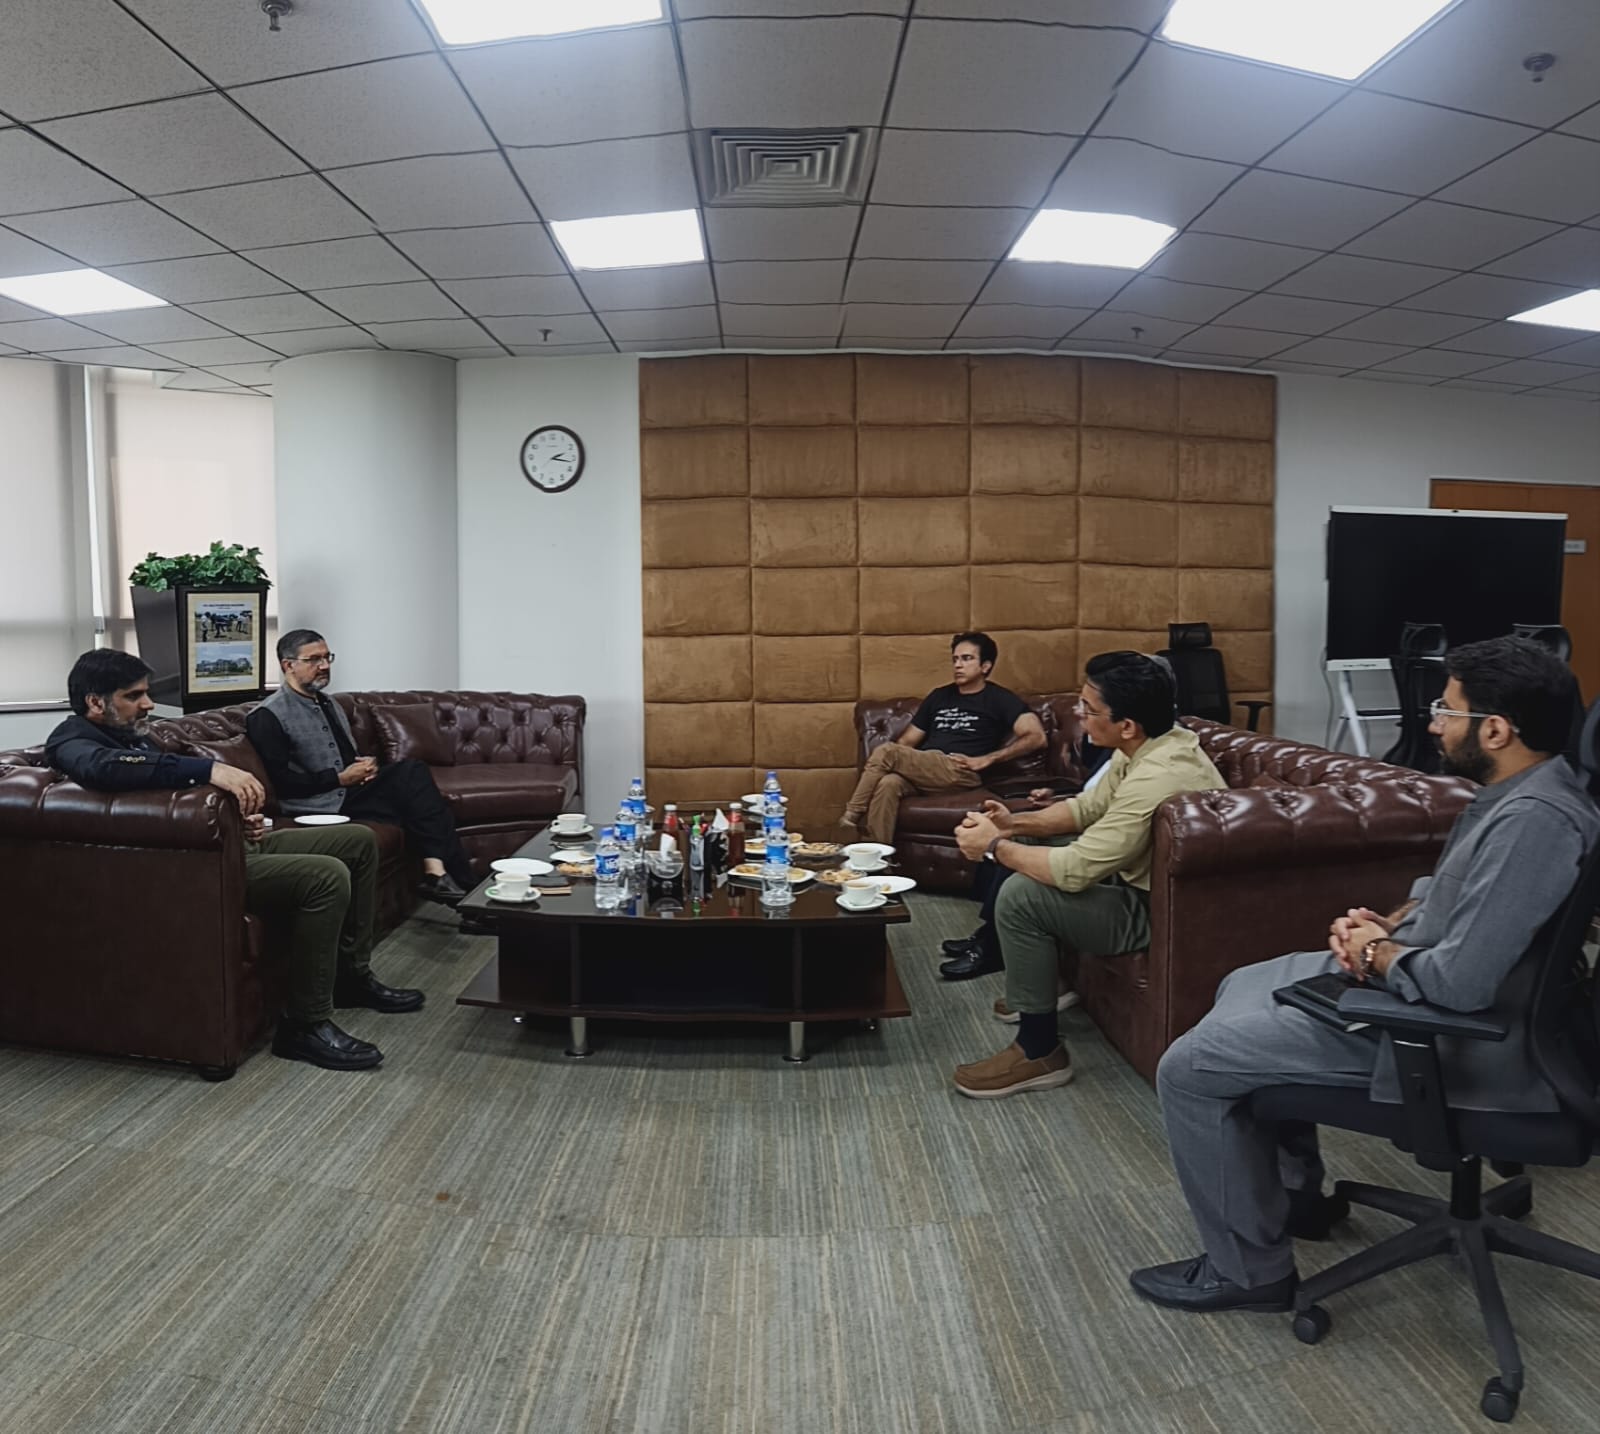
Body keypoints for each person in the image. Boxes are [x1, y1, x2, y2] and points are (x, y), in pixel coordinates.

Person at [1129, 636, 1598, 1315]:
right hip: (1428, 987)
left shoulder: (1536, 822)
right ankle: (1293, 1197)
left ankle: (1248, 1272)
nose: (1434, 724)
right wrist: (1384, 924)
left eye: (1447, 710)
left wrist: (1377, 954)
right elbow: (1451, 895)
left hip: (1453, 1037)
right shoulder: (1519, 793)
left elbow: (1462, 985)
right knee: (1246, 981)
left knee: (1189, 1067)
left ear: (1496, 730)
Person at [45, 650, 425, 1072]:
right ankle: (305, 1024)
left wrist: (235, 819)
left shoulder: (133, 734)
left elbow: (168, 792)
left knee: (357, 841)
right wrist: (210, 769)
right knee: (325, 876)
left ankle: (350, 977)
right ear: (95, 702)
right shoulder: (72, 740)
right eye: (134, 696)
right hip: (198, 870)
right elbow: (105, 769)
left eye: (146, 694)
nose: (149, 704)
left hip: (230, 845)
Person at [949, 651, 1225, 1098]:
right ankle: (1044, 985)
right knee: (1031, 843)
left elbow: (1075, 871)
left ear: (1127, 724)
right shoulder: (1149, 743)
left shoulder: (1160, 777)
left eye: (1089, 709)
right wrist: (1012, 824)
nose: (1079, 715)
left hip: (1162, 914)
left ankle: (1039, 1051)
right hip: (1134, 882)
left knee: (1022, 896)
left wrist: (994, 847)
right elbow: (1085, 809)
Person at [246, 629, 477, 905]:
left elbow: (345, 756)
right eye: (314, 659)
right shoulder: (267, 715)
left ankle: (441, 875)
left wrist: (368, 765)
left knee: (417, 786)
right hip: (316, 805)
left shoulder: (328, 702)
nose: (325, 665)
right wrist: (340, 779)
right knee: (417, 795)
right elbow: (282, 783)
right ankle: (464, 891)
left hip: (349, 792)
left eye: (327, 657)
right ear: (288, 665)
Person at [840, 632, 1047, 845]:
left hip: (960, 770)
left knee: (886, 751)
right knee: (889, 783)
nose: (958, 665)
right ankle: (879, 857)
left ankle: (852, 815)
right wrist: (905, 764)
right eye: (955, 659)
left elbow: (1037, 737)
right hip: (929, 769)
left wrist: (989, 758)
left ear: (985, 666)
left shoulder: (1000, 698)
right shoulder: (939, 696)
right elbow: (906, 743)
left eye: (966, 659)